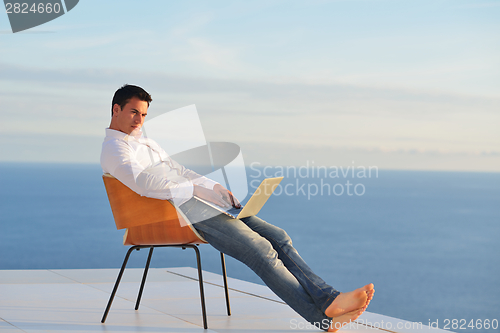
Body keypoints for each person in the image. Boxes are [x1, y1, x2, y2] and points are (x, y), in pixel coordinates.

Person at [100, 84, 375, 332]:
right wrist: (194, 191)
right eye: (134, 113)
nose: (140, 120)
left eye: (144, 115)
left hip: (195, 203)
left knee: (278, 236)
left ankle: (329, 299)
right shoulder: (115, 149)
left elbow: (180, 171)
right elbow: (142, 183)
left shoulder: (145, 142)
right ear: (116, 109)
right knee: (262, 251)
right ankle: (323, 319)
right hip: (177, 214)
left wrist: (214, 189)